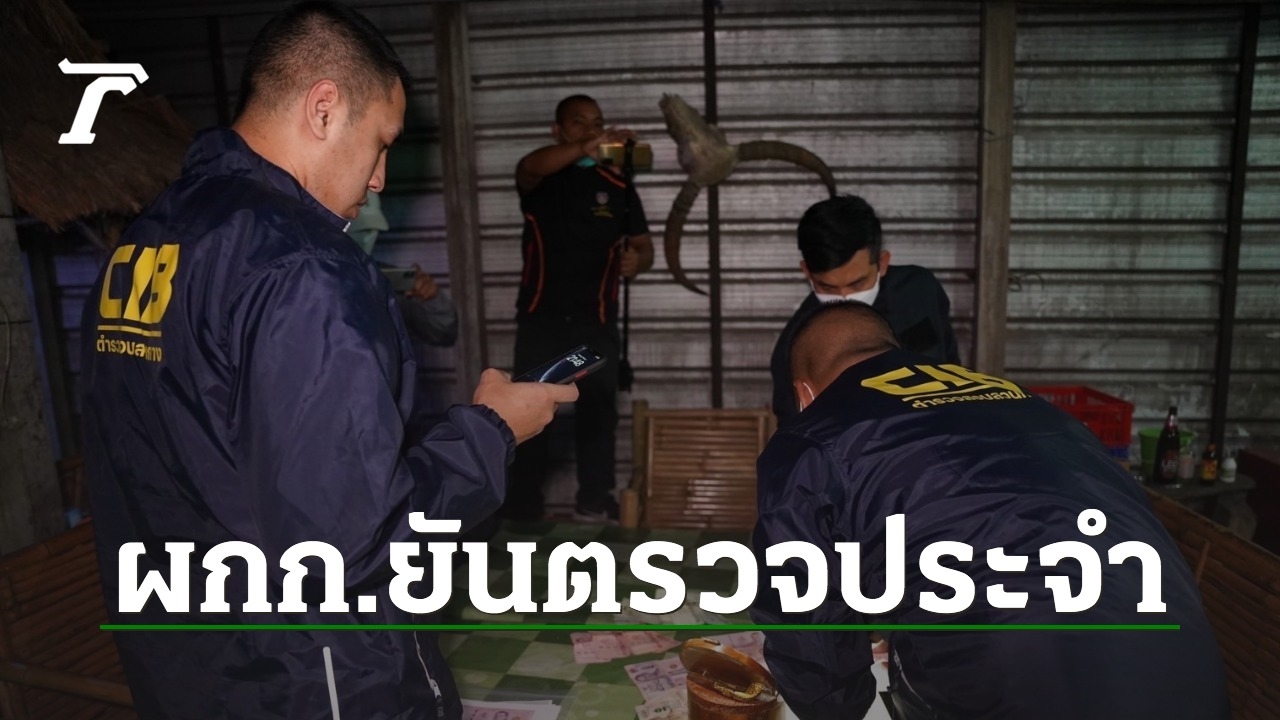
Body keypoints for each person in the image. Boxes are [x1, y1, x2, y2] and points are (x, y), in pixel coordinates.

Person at [78, 3, 576, 719]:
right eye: (381, 143)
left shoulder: (148, 240)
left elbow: (227, 464)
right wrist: (492, 431)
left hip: (187, 665)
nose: (379, 179)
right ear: (323, 108)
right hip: (311, 677)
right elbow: (350, 548)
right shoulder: (306, 267)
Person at [749, 302, 1230, 720]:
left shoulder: (814, 434)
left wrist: (840, 708)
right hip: (1184, 667)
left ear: (804, 394)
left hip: (1014, 684)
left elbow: (804, 616)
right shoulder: (1019, 399)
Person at [504, 94, 655, 522]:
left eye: (597, 123)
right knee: (530, 410)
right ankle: (524, 509)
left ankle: (593, 501)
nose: (590, 130)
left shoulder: (618, 188)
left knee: (597, 414)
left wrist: (638, 261)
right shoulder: (540, 181)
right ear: (558, 131)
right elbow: (527, 166)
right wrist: (588, 147)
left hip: (595, 322)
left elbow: (644, 247)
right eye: (579, 122)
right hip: (543, 320)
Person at [769, 194, 959, 424]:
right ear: (806, 271)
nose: (844, 297)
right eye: (828, 287)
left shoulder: (919, 291)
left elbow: (950, 366)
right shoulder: (795, 348)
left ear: (882, 262)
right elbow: (795, 432)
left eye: (857, 284)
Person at [348, 189, 459, 348]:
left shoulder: (384, 280)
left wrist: (430, 297)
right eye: (360, 230)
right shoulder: (314, 276)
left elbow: (444, 331)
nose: (366, 237)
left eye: (370, 231)